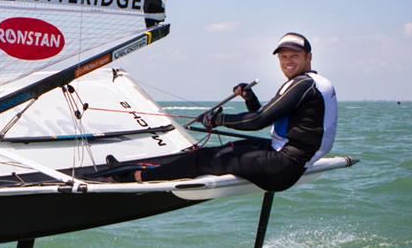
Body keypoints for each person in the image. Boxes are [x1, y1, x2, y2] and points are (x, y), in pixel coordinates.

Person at [133, 32, 338, 192]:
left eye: (294, 56)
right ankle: (150, 168)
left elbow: (258, 121)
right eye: (283, 57)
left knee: (201, 159)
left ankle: (138, 178)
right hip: (288, 156)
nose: (288, 61)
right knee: (222, 149)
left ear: (308, 57)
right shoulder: (315, 83)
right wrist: (250, 98)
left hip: (284, 167)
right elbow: (266, 115)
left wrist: (218, 119)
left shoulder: (301, 85)